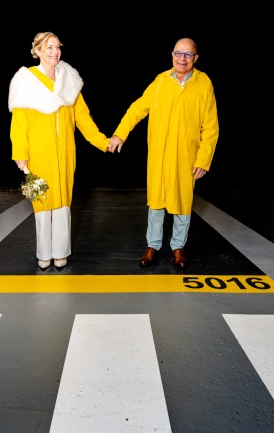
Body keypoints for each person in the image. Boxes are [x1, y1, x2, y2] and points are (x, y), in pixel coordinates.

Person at [108, 37, 219, 268]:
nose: (182, 58)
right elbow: (138, 107)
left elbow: (211, 126)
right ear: (172, 55)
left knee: (183, 202)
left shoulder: (203, 84)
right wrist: (120, 133)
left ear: (195, 59)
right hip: (160, 154)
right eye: (179, 53)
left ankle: (178, 247)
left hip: (186, 156)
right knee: (157, 201)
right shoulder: (160, 81)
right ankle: (153, 246)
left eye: (188, 55)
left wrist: (204, 159)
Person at [8, 31, 110, 269]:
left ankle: (61, 252)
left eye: (57, 47)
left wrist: (102, 142)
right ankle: (44, 253)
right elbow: (19, 123)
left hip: (65, 153)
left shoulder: (69, 80)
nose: (55, 52)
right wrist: (20, 154)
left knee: (63, 201)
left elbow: (83, 119)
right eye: (49, 47)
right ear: (38, 51)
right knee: (42, 202)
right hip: (39, 153)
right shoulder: (26, 80)